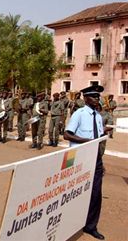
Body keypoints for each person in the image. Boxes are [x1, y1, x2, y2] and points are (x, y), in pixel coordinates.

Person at [64, 85, 110, 240]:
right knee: (77, 193)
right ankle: (71, 223)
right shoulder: (79, 114)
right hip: (81, 160)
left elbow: (97, 135)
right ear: (85, 98)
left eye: (98, 97)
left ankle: (91, 226)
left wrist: (104, 131)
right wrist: (87, 141)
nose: (97, 99)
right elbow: (67, 135)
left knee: (96, 194)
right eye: (94, 96)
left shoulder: (97, 115)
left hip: (96, 159)